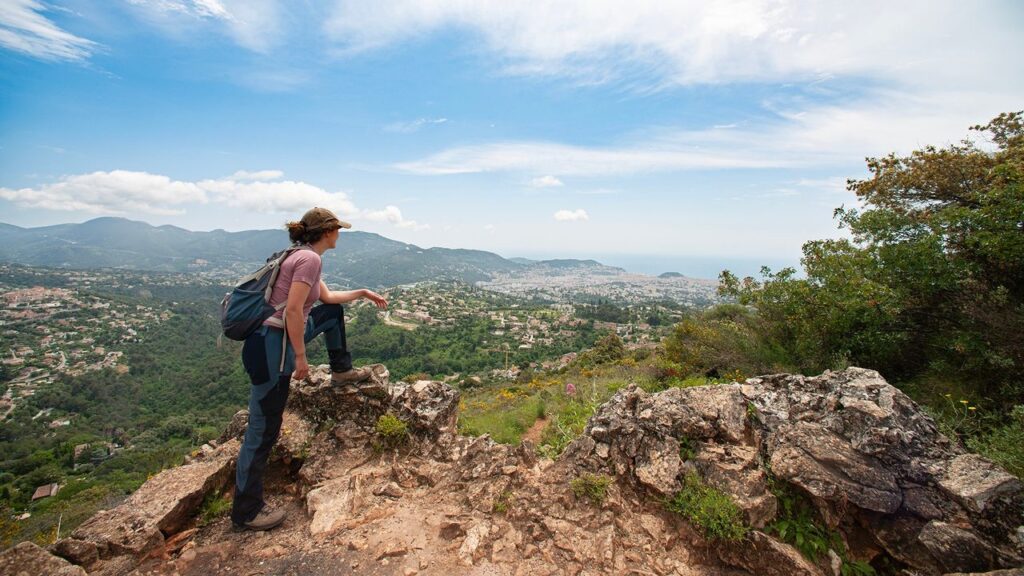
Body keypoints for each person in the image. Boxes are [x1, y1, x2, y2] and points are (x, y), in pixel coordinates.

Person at [231, 206, 388, 531]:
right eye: (337, 229)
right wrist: (301, 358)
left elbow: (327, 299)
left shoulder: (303, 255)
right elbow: (291, 311)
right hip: (271, 348)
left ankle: (340, 370)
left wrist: (361, 293)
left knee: (331, 315)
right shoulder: (309, 259)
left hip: (276, 342)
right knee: (263, 430)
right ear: (327, 232)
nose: (340, 235)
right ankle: (246, 511)